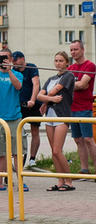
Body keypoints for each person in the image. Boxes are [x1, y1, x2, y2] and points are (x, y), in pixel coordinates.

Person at [0, 49, 28, 191]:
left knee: (17, 150)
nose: (3, 60)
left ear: (11, 59)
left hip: (14, 117)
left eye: (6, 58)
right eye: (0, 58)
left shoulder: (17, 74)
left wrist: (9, 71)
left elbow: (18, 86)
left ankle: (20, 180)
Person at [37, 51, 76, 191]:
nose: (58, 63)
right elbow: (39, 96)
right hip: (49, 116)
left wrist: (46, 98)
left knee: (57, 150)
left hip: (61, 116)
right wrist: (50, 100)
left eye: (61, 61)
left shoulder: (68, 76)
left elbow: (53, 91)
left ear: (67, 62)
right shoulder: (51, 78)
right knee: (53, 152)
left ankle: (69, 181)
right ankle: (60, 180)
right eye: (56, 60)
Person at [68, 40, 96, 175]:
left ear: (83, 50)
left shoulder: (90, 65)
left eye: (76, 49)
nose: (73, 52)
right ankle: (85, 170)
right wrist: (77, 85)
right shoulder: (69, 68)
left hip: (84, 107)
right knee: (78, 139)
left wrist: (72, 85)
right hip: (71, 108)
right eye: (71, 50)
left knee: (88, 139)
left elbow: (83, 84)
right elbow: (77, 85)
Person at [12, 50, 41, 167]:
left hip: (32, 104)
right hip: (20, 104)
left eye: (15, 60)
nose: (14, 63)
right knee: (18, 131)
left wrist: (33, 100)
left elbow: (36, 84)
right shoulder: (14, 71)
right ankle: (19, 157)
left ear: (22, 59)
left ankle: (32, 158)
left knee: (35, 131)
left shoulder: (31, 68)